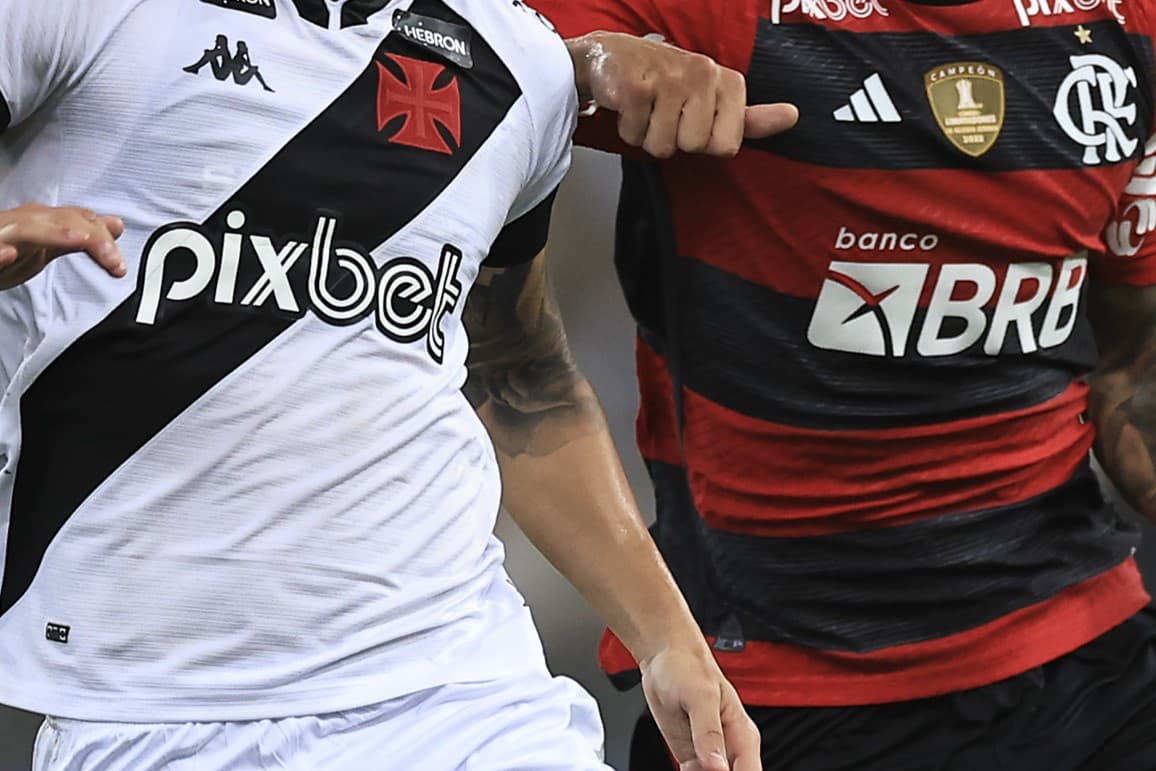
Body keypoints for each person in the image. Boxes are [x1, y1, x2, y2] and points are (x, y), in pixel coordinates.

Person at [0, 1, 796, 768]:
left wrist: (667, 639)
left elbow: (517, 369)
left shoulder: (516, 61)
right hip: (147, 706)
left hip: (459, 686)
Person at [532, 0, 1156, 768]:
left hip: (1087, 659)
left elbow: (1133, 359)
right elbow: (451, 58)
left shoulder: (1130, 25)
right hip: (775, 690)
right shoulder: (710, 15)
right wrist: (592, 60)